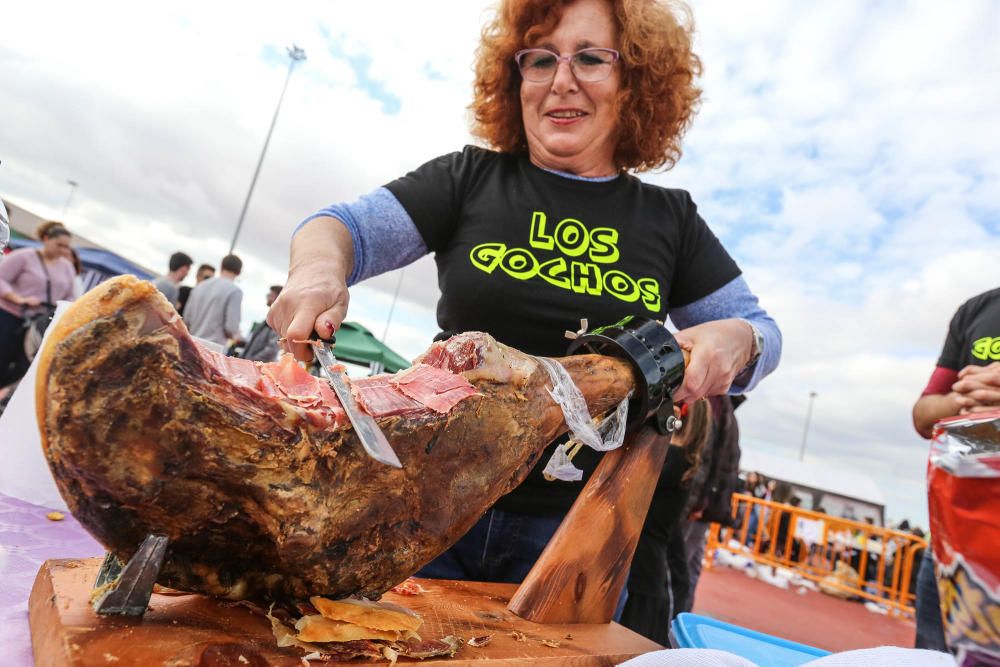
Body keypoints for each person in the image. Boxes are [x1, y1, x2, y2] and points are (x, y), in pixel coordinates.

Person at [268, 0, 781, 588]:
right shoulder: (469, 178)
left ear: (634, 82)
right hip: (423, 504)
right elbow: (341, 228)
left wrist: (735, 338)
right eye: (540, 60)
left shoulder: (671, 219)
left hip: (577, 532)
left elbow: (761, 333)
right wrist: (315, 272)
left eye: (591, 58)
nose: (562, 81)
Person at [910, 287, 1000, 652]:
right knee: (931, 658)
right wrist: (967, 398)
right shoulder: (978, 309)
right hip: (957, 542)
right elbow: (923, 414)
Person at [0, 221, 76, 388]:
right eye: (59, 245)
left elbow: (71, 296)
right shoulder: (25, 256)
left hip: (39, 323)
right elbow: (2, 278)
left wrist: (61, 308)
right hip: (9, 316)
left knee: (24, 366)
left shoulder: (67, 268)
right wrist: (18, 298)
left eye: (66, 247)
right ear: (46, 238)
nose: (63, 250)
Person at [183, 254, 243, 349]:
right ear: (239, 272)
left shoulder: (200, 285)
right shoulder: (235, 291)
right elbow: (231, 327)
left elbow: (186, 319)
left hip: (191, 344)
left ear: (221, 267)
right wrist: (238, 336)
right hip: (213, 349)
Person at [239, 285, 283, 362]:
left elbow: (272, 349)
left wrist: (252, 361)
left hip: (258, 367)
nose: (267, 297)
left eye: (270, 295)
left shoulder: (277, 321)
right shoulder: (270, 319)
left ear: (277, 298)